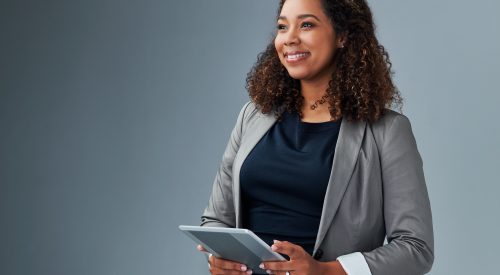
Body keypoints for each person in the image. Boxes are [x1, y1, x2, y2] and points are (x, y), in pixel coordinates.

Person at [196, 0, 434, 274]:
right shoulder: (252, 116)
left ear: (343, 36)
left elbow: (416, 248)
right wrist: (220, 259)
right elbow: (216, 220)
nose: (289, 38)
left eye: (306, 24)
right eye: (282, 27)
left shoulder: (387, 131)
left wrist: (327, 271)